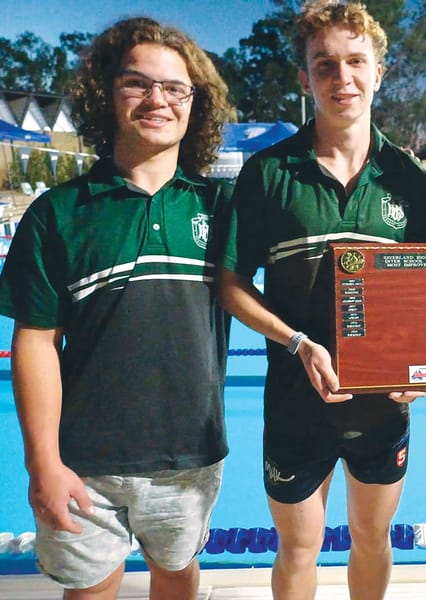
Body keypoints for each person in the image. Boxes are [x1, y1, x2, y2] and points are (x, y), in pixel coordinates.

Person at [0, 17, 232, 599]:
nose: (158, 99)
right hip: (85, 461)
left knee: (177, 577)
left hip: (190, 457)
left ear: (195, 104)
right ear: (106, 93)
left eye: (175, 88)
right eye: (137, 83)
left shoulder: (224, 208)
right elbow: (36, 341)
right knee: (90, 591)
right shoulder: (58, 213)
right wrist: (42, 463)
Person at [216, 1, 426, 598]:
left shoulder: (410, 180)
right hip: (295, 405)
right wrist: (297, 342)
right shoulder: (268, 174)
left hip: (381, 409)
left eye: (356, 62)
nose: (343, 78)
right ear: (304, 78)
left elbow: (425, 294)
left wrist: (421, 370)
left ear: (379, 72)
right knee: (298, 547)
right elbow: (231, 283)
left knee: (373, 538)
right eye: (325, 64)